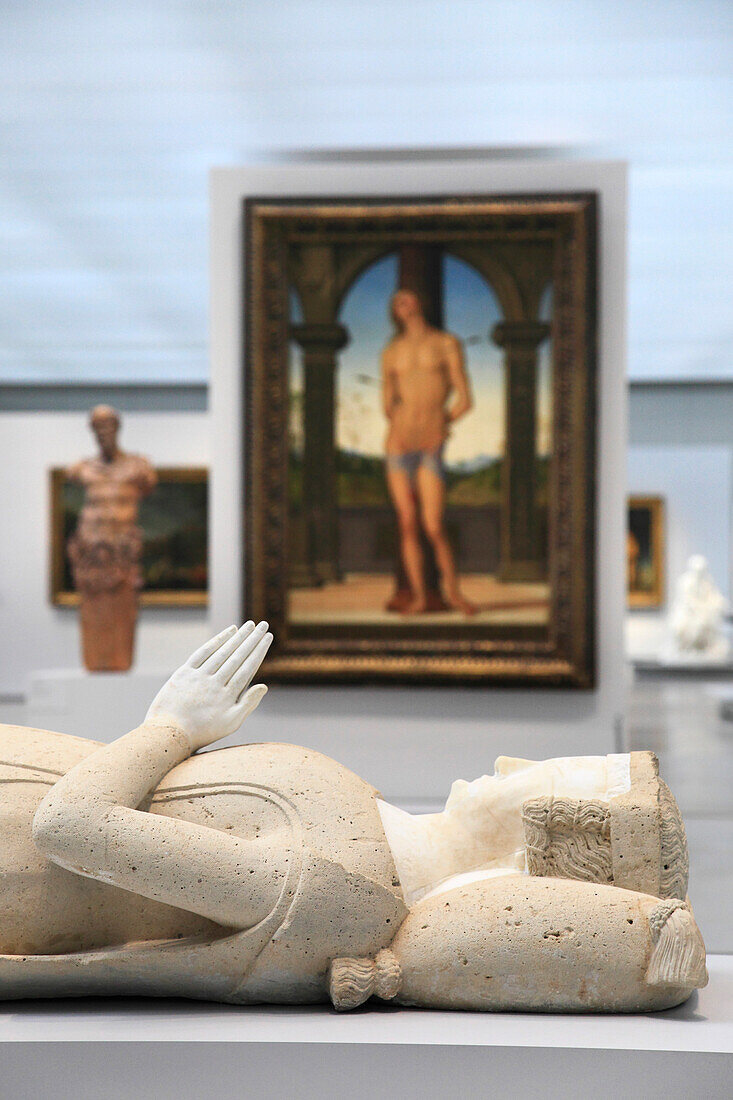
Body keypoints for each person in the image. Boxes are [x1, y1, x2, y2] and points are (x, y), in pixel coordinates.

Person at [0, 624, 706, 1010]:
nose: (510, 768)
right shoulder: (363, 828)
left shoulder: (340, 887)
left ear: (546, 840)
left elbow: (70, 828)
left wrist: (171, 725)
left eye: (547, 778)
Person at [381, 290, 476, 615]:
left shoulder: (446, 343)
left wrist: (440, 426)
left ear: (420, 302)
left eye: (407, 298)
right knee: (407, 523)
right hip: (398, 444)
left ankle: (456, 594)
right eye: (397, 302)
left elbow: (465, 398)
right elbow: (386, 402)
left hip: (430, 445)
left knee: (433, 526)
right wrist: (401, 428)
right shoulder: (391, 351)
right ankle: (421, 597)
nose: (402, 304)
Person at [67, 405, 157, 669]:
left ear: (118, 428)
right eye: (98, 428)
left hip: (121, 554)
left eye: (108, 426)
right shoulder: (82, 469)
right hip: (91, 555)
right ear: (92, 432)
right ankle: (95, 661)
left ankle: (118, 661)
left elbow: (148, 482)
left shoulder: (137, 468)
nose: (103, 433)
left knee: (122, 614)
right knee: (92, 614)